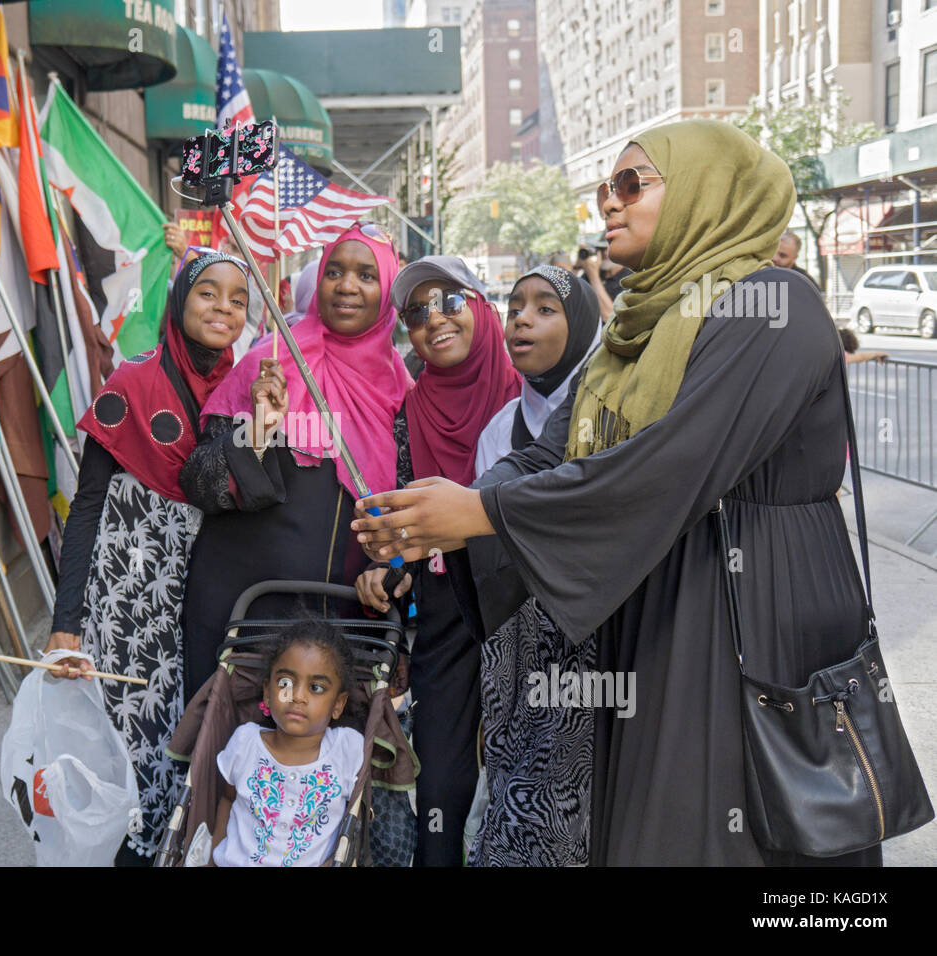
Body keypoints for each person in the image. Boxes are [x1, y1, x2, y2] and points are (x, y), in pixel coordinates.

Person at [350, 119, 882, 866]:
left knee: (737, 826)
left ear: (706, 193)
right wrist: (442, 515)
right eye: (607, 187)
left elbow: (671, 465)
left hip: (755, 610)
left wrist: (479, 512)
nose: (610, 202)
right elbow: (545, 452)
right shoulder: (634, 330)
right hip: (659, 610)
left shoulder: (775, 309)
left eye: (634, 184)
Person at [46, 253, 249, 865]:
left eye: (237, 299)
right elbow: (85, 509)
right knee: (127, 743)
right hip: (127, 595)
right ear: (179, 302)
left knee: (190, 740)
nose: (222, 308)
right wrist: (65, 621)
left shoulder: (247, 387)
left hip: (203, 593)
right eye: (208, 294)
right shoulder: (131, 383)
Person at [179, 222, 411, 701]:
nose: (347, 285)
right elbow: (200, 484)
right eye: (335, 272)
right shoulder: (270, 362)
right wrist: (260, 428)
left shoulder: (401, 390)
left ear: (387, 289)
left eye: (366, 275)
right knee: (224, 761)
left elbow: (409, 514)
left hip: (342, 623)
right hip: (240, 613)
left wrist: (391, 570)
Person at [353, 255, 521, 866]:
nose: (434, 320)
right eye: (416, 313)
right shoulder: (412, 410)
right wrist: (387, 564)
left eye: (450, 301)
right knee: (442, 778)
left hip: (527, 605)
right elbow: (410, 529)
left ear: (481, 308)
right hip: (449, 608)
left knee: (532, 766)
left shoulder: (530, 397)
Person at [465, 264, 601, 866]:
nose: (521, 317)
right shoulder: (499, 432)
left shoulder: (609, 417)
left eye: (546, 308)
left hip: (597, 636)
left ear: (583, 326)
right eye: (515, 305)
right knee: (521, 800)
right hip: (517, 643)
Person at [211, 619, 364, 866]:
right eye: (285, 683)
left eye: (316, 687)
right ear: (267, 693)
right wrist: (211, 859)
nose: (298, 696)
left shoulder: (346, 749)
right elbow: (227, 800)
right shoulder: (245, 742)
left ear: (338, 704)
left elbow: (357, 826)